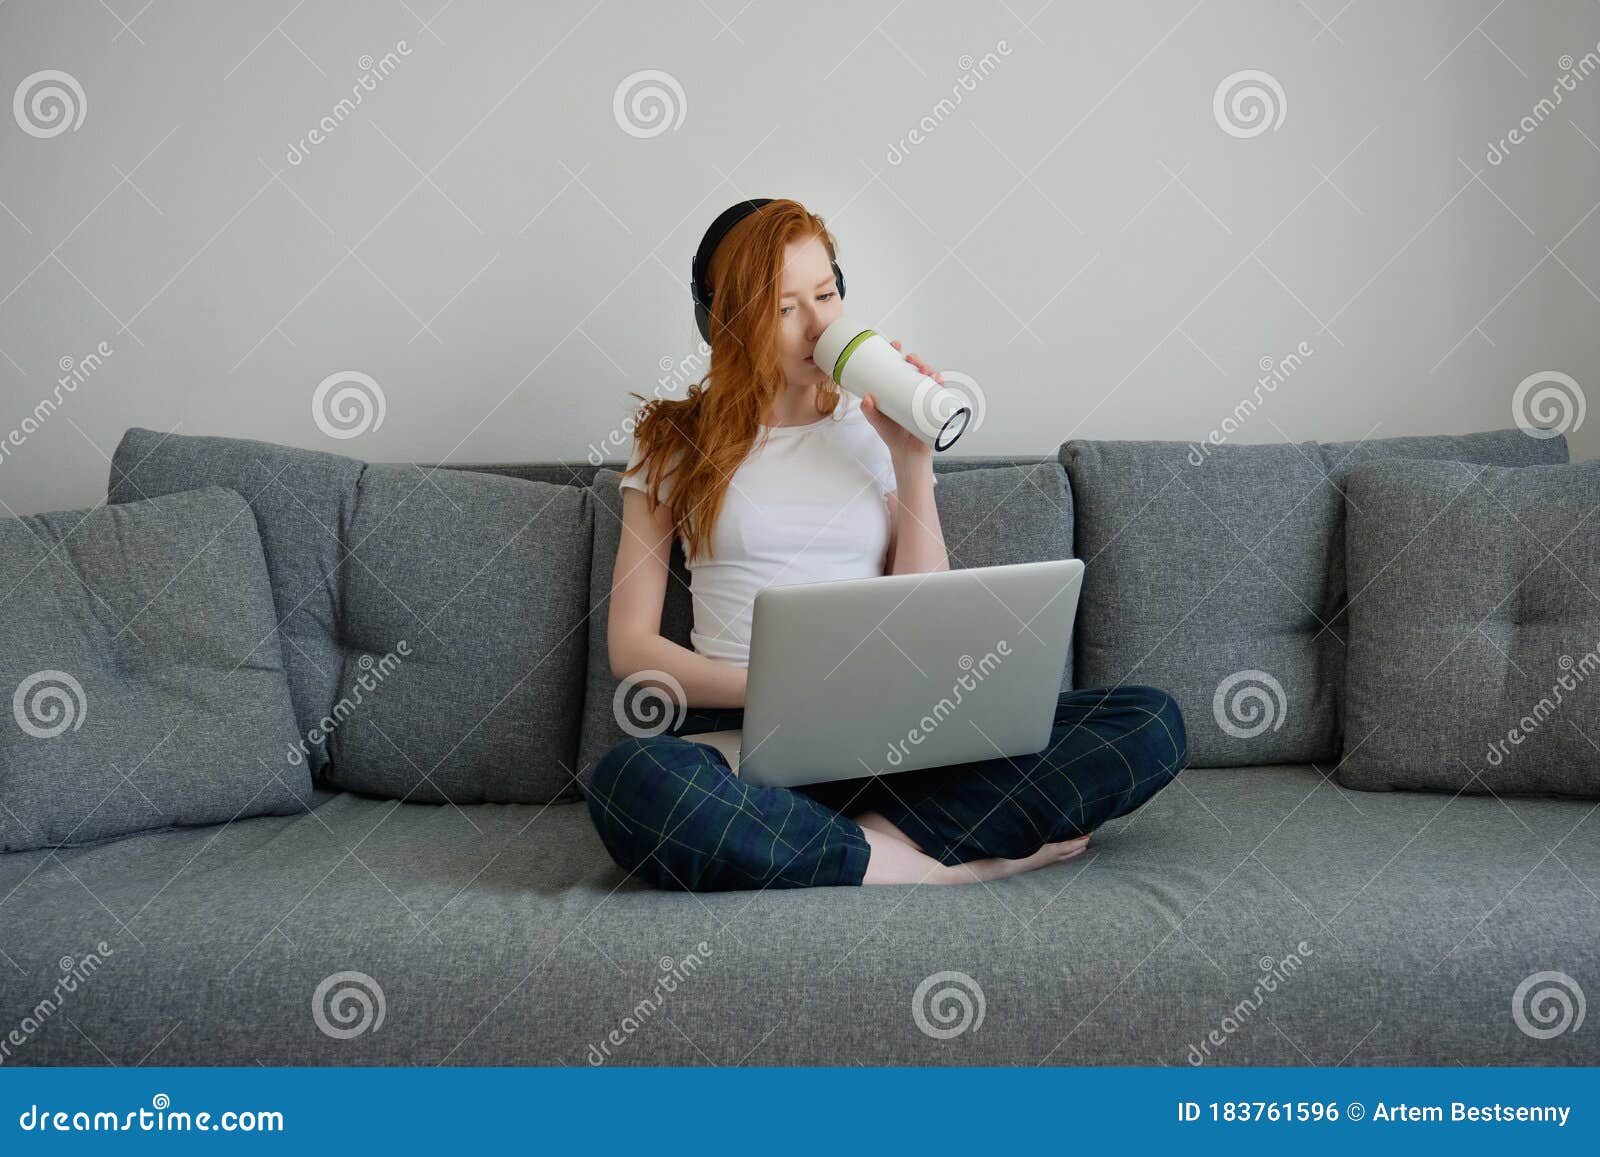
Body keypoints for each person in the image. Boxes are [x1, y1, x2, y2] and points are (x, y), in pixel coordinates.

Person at [586, 197, 1186, 891]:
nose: (817, 324)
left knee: (1149, 721)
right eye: (785, 308)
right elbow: (632, 647)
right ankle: (931, 865)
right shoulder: (672, 439)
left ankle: (862, 844)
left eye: (826, 293)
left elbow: (922, 608)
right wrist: (784, 695)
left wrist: (912, 459)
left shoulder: (871, 420)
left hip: (894, 731)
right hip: (744, 735)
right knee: (633, 783)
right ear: (724, 320)